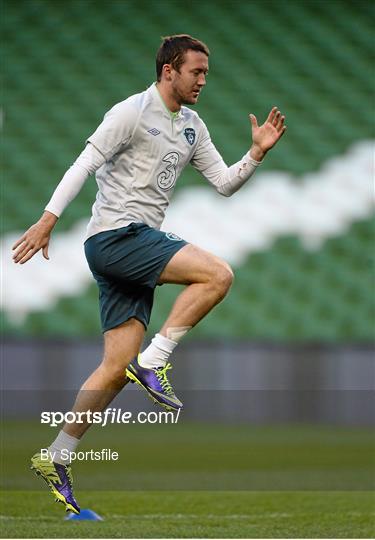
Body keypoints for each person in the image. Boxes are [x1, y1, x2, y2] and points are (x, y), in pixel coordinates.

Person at [12, 34, 286, 514]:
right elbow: (84, 163)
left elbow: (223, 183)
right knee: (218, 275)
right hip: (116, 237)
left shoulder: (192, 126)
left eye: (206, 73)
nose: (203, 80)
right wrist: (47, 218)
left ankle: (56, 455)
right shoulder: (131, 111)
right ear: (168, 71)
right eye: (195, 72)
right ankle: (156, 361)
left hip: (130, 247)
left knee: (114, 370)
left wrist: (257, 153)